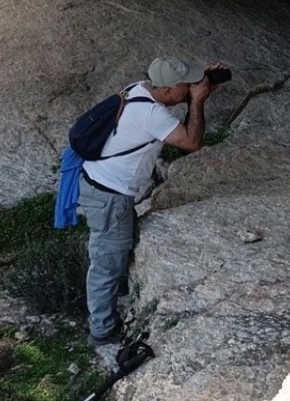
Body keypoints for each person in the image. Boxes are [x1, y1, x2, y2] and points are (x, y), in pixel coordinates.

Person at [79, 55, 223, 348]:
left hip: (102, 187)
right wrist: (197, 102)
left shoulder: (139, 89)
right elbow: (192, 143)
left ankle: (114, 299)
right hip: (109, 196)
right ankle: (102, 331)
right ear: (168, 91)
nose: (192, 87)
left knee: (116, 249)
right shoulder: (153, 116)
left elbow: (168, 113)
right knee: (106, 261)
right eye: (187, 85)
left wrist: (198, 84)